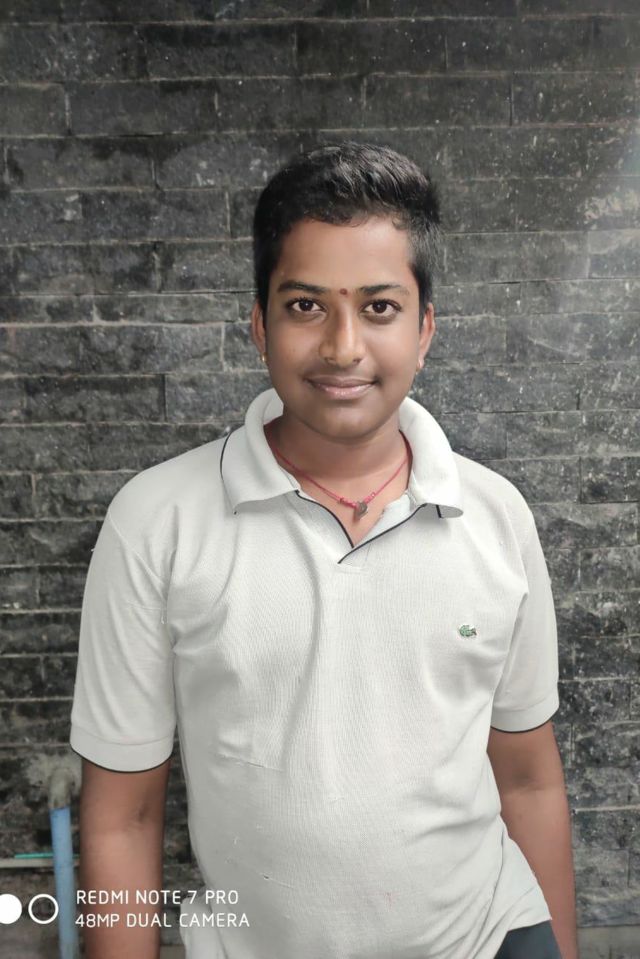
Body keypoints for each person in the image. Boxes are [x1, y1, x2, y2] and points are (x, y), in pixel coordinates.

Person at [70, 142, 578, 959]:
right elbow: (122, 815)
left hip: (487, 936)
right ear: (259, 324)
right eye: (307, 305)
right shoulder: (157, 521)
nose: (343, 347)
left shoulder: (495, 516)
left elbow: (528, 777)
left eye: (379, 307)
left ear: (425, 329)